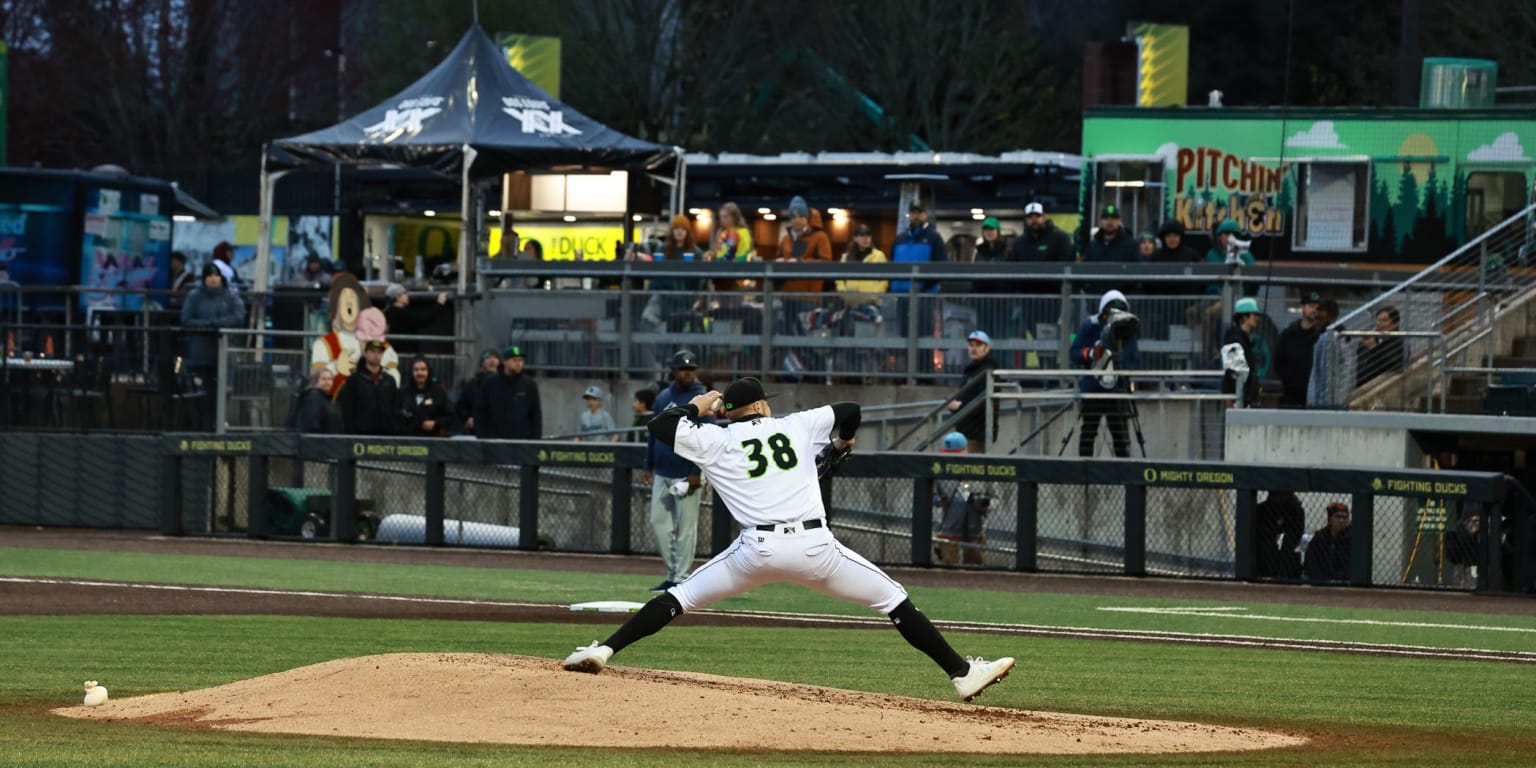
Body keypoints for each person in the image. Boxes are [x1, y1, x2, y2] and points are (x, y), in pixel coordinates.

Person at [560, 377, 1016, 703]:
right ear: (761, 406)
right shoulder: (796, 426)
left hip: (755, 551)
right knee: (894, 601)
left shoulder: (714, 440)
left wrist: (700, 404)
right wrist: (842, 444)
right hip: (815, 549)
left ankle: (604, 649)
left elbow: (660, 426)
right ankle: (961, 673)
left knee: (680, 596)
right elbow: (851, 411)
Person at [643, 350, 707, 591]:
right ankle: (672, 574)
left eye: (691, 369)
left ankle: (680, 578)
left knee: (686, 528)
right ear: (674, 371)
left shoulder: (700, 398)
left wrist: (695, 472)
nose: (688, 373)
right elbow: (653, 432)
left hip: (686, 472)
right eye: (683, 369)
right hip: (663, 470)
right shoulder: (664, 397)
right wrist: (648, 464)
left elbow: (706, 439)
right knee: (658, 523)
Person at [1069, 290, 1140, 458]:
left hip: (1117, 390)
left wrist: (1121, 361)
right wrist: (1092, 353)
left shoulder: (1127, 329)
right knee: (1088, 432)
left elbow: (1133, 360)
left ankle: (1125, 475)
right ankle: (1085, 473)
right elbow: (1074, 353)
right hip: (1094, 388)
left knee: (1121, 435)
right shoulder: (1091, 325)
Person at [179, 263, 246, 431]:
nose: (213, 279)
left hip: (225, 354)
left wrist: (218, 325)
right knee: (204, 393)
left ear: (221, 278)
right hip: (201, 354)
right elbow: (186, 319)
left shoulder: (231, 296)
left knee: (224, 391)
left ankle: (221, 424)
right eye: (209, 276)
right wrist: (207, 326)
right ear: (204, 279)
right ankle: (205, 426)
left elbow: (238, 317)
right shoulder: (194, 296)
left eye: (216, 276)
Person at [774, 196, 833, 335]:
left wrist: (801, 263)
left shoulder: (820, 237)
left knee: (807, 336)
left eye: (800, 216)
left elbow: (826, 263)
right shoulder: (785, 239)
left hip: (809, 298)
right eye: (793, 217)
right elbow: (778, 258)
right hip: (788, 297)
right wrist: (779, 262)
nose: (796, 220)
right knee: (787, 334)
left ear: (807, 218)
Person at [933, 431, 991, 566]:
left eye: (954, 453)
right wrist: (939, 500)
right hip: (949, 527)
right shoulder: (940, 470)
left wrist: (984, 504)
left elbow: (994, 499)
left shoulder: (980, 469)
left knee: (975, 567)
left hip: (975, 528)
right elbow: (932, 496)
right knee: (947, 567)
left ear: (965, 451)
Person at [945, 330, 1000, 453]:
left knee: (969, 468)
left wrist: (959, 406)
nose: (973, 349)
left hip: (977, 434)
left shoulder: (988, 371)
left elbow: (983, 401)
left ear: (987, 348)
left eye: (978, 345)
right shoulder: (972, 370)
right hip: (967, 432)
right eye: (971, 345)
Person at [473, 345, 542, 440]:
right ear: (505, 362)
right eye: (514, 360)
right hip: (495, 442)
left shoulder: (530, 384)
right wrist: (484, 436)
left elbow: (535, 414)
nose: (518, 364)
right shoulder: (490, 383)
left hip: (522, 442)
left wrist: (534, 440)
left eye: (521, 360)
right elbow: (480, 411)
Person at [336, 339, 400, 436]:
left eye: (379, 352)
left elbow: (395, 407)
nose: (376, 355)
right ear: (365, 353)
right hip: (361, 434)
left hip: (386, 435)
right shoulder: (354, 380)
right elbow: (347, 409)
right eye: (372, 351)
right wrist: (350, 432)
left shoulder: (389, 380)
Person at [1274, 291, 1325, 407]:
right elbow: (1278, 361)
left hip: (1314, 396)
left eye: (1317, 307)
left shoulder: (1321, 336)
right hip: (1290, 395)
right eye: (1311, 306)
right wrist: (1287, 381)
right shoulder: (1288, 334)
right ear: (1302, 308)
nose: (1314, 310)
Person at [382, 283, 450, 354]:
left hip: (394, 351)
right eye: (404, 294)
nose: (407, 296)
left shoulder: (388, 312)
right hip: (404, 350)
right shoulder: (400, 313)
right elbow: (423, 321)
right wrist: (439, 303)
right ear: (398, 297)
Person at [1254, 490, 1304, 579]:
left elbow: (1294, 537)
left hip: (1287, 550)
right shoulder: (1262, 511)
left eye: (1282, 496)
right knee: (1266, 547)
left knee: (1288, 550)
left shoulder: (1295, 510)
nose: (1279, 498)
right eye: (1276, 495)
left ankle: (1283, 575)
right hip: (1265, 552)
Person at [835, 223, 888, 308]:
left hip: (871, 301)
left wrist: (874, 296)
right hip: (851, 301)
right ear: (855, 238)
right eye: (862, 235)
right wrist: (844, 293)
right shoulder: (846, 257)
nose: (866, 238)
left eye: (868, 235)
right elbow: (839, 279)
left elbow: (884, 279)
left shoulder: (879, 255)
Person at [1222, 297, 1262, 408]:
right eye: (1254, 314)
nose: (1257, 318)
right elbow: (1233, 374)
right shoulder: (1234, 341)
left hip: (1244, 397)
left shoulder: (1244, 340)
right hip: (1237, 399)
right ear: (1244, 317)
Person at [399, 355, 451, 437]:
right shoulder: (403, 392)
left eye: (423, 369)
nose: (420, 373)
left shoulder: (438, 392)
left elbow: (449, 416)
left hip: (432, 440)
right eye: (416, 370)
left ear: (428, 371)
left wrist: (435, 423)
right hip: (408, 440)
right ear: (411, 372)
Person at [454, 349, 500, 435]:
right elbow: (461, 407)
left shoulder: (505, 383)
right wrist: (467, 419)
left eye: (495, 358)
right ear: (482, 363)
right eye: (488, 358)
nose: (492, 360)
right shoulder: (473, 384)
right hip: (477, 432)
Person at [1008, 202, 1074, 262]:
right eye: (1030, 217)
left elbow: (1067, 266)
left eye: (1038, 216)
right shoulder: (1018, 243)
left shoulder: (1060, 238)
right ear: (1026, 220)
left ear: (1044, 217)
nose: (1034, 220)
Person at [1304, 501, 1352, 583]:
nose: (1341, 520)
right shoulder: (1319, 538)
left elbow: (1353, 567)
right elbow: (1310, 563)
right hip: (1319, 581)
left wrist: (1337, 579)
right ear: (1330, 519)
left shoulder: (1352, 540)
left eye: (1345, 517)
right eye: (1338, 517)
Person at [1357, 305, 1405, 386]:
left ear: (1395, 324)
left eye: (1384, 320)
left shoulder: (1398, 342)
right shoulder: (1373, 338)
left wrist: (1374, 348)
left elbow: (1392, 365)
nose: (1379, 324)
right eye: (1378, 320)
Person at [290, 368, 343, 434]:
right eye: (324, 379)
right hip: (319, 442)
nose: (328, 382)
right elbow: (309, 423)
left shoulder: (324, 398)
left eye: (330, 379)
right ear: (315, 381)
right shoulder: (314, 396)